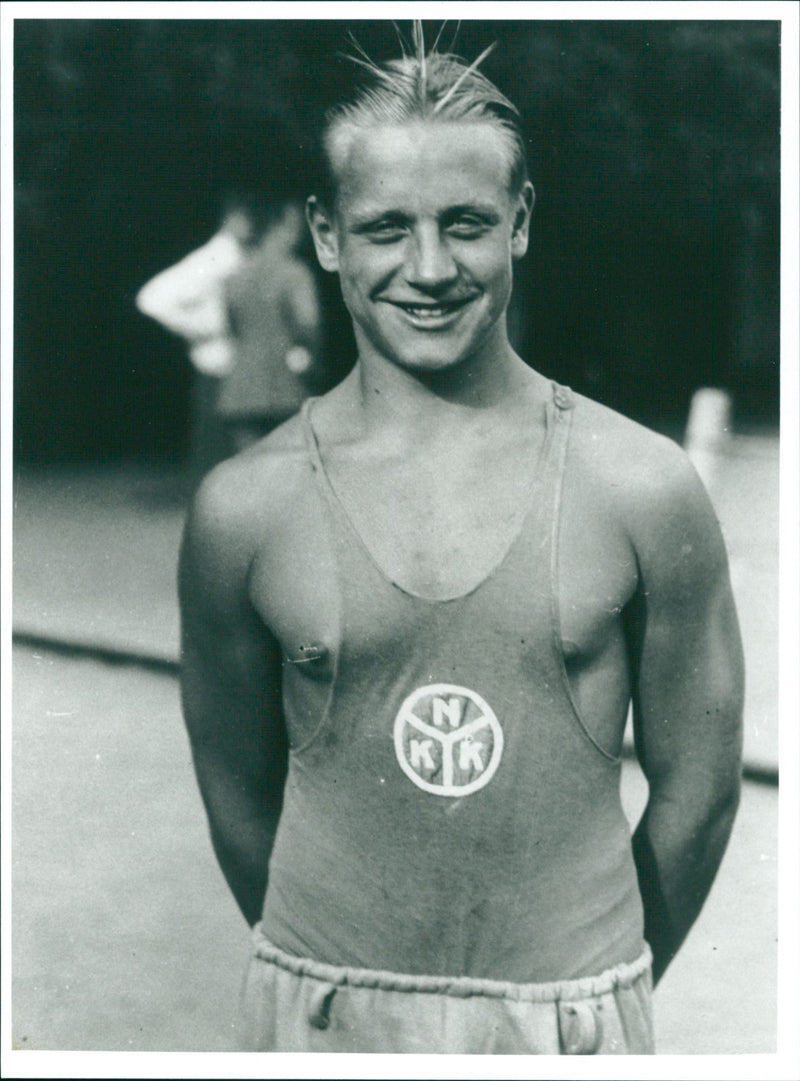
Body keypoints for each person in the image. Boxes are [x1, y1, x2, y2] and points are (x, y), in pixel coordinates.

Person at [178, 39, 744, 1055]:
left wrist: (592, 988)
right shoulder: (244, 507)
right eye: (386, 228)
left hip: (569, 1009)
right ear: (324, 235)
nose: (429, 268)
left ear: (519, 221)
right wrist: (338, 978)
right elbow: (235, 794)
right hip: (319, 1009)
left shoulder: (641, 484)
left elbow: (697, 788)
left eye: (466, 224)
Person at [217, 201, 323, 454]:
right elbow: (309, 324)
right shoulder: (295, 273)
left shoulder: (234, 276)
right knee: (286, 474)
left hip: (239, 387)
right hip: (284, 386)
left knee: (248, 472)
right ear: (277, 227)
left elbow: (231, 326)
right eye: (294, 226)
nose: (299, 235)